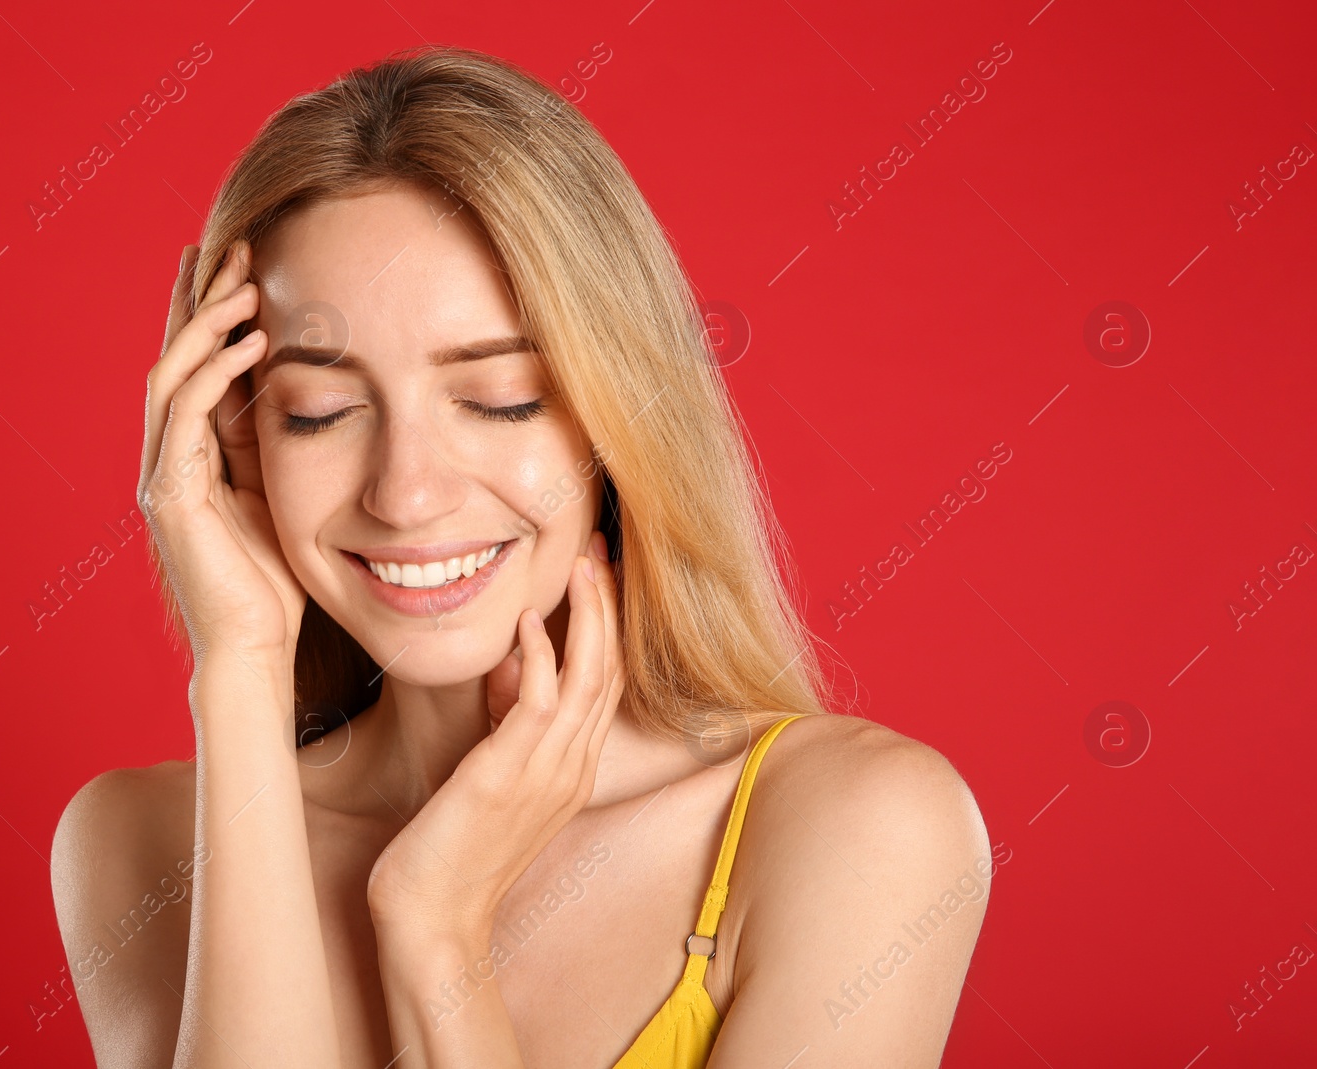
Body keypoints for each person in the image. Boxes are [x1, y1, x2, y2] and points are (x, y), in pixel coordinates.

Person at [50, 43, 991, 1069]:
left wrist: (435, 930)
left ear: (615, 418)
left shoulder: (854, 829)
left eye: (499, 398)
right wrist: (237, 661)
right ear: (238, 435)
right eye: (317, 412)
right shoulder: (139, 844)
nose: (405, 492)